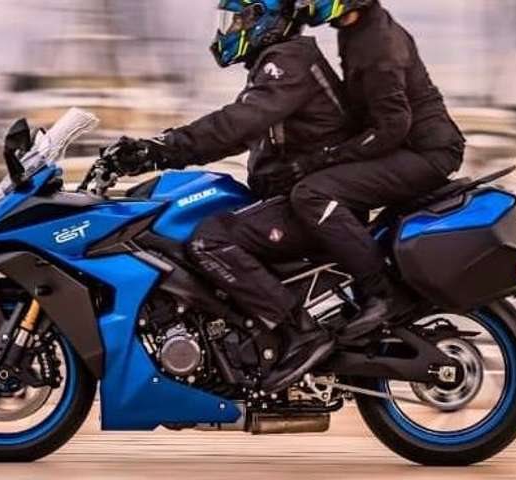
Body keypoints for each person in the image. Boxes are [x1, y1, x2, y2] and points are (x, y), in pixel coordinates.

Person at [102, 0, 354, 392]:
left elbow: (236, 123)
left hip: (309, 205)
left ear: (265, 18)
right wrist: (161, 153)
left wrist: (160, 149)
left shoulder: (288, 62)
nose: (230, 29)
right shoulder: (280, 65)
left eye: (238, 19)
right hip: (296, 199)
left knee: (209, 241)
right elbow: (232, 134)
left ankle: (299, 333)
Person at [278, 0, 466, 340]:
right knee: (332, 187)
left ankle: (382, 294)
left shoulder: (377, 45)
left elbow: (392, 126)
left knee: (313, 193)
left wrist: (328, 156)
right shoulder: (356, 26)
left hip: (425, 153)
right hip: (411, 146)